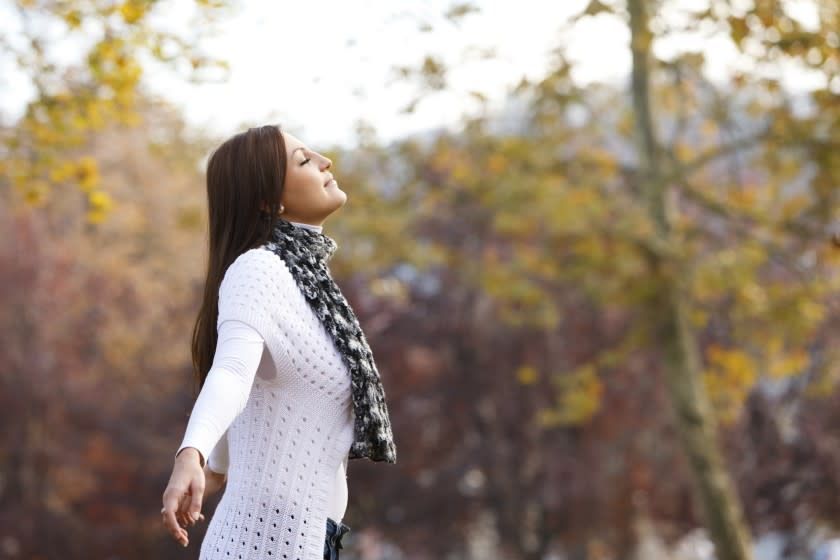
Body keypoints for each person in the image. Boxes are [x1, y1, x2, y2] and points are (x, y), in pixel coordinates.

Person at [161, 125, 397, 560]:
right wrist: (191, 454)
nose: (325, 162)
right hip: (264, 542)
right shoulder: (259, 269)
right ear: (269, 201)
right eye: (305, 160)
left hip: (305, 541)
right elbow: (232, 369)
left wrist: (218, 464)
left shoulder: (309, 285)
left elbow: (259, 386)